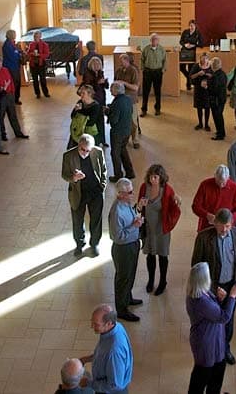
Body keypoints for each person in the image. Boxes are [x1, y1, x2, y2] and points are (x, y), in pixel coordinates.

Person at [191, 208, 236, 365]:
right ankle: (213, 349)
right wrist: (213, 288)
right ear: (214, 223)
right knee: (212, 322)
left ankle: (226, 349)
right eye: (221, 225)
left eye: (228, 226)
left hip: (232, 286)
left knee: (228, 320)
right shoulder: (203, 238)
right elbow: (196, 266)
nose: (224, 230)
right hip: (213, 288)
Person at [185, 262, 236, 394]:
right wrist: (232, 296)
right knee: (202, 376)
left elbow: (213, 312)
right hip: (206, 343)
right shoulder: (200, 301)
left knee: (216, 370)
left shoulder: (200, 292)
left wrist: (219, 299)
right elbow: (224, 317)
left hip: (212, 339)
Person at [137, 164, 182, 295]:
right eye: (151, 177)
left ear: (161, 177)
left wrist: (176, 203)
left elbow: (175, 209)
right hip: (148, 228)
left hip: (161, 229)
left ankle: (163, 281)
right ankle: (151, 280)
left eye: (155, 177)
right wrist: (140, 205)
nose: (153, 180)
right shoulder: (144, 187)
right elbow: (138, 208)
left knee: (162, 256)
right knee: (150, 255)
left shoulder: (167, 190)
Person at [62, 134, 108, 257]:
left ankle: (94, 244)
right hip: (78, 193)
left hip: (95, 192)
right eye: (83, 150)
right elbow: (64, 175)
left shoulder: (97, 152)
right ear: (78, 145)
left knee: (96, 220)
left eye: (88, 150)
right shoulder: (68, 156)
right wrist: (74, 178)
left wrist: (102, 186)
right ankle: (79, 244)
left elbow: (103, 169)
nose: (85, 153)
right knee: (77, 220)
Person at [108, 178, 143, 322]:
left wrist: (138, 208)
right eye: (129, 192)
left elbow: (131, 216)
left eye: (132, 191)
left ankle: (127, 298)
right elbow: (117, 236)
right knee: (123, 279)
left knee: (130, 274)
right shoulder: (116, 212)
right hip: (123, 249)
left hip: (132, 244)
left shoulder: (126, 203)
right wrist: (134, 226)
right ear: (120, 194)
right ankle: (122, 310)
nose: (132, 194)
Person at [81, 304, 134, 393]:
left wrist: (88, 383)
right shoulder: (116, 326)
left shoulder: (114, 351)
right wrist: (85, 359)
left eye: (96, 324)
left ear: (109, 323)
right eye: (92, 322)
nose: (92, 326)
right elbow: (102, 355)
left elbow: (114, 385)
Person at [191, 165, 236, 233]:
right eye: (218, 181)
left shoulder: (235, 188)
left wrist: (228, 219)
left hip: (226, 229)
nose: (221, 185)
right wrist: (206, 215)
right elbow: (195, 206)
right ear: (215, 176)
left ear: (228, 178)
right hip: (206, 226)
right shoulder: (204, 185)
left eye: (224, 182)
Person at [0, 56, 29, 141]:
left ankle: (18, 133)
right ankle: (3, 135)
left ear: (1, 63)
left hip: (10, 96)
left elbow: (11, 81)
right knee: (1, 116)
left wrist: (13, 92)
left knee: (13, 115)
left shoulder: (5, 70)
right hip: (1, 98)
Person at [106, 82, 135, 181]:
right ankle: (130, 172)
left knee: (115, 153)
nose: (110, 90)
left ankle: (118, 175)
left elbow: (114, 120)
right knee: (123, 150)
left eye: (111, 89)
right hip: (127, 130)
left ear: (116, 90)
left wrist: (107, 112)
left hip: (118, 132)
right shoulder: (128, 99)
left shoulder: (117, 103)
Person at [113, 53, 141, 148]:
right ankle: (124, 139)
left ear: (127, 61)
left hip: (130, 99)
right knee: (122, 120)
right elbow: (115, 82)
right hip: (120, 99)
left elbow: (136, 87)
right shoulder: (119, 71)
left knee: (133, 121)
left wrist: (124, 83)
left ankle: (135, 140)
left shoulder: (133, 71)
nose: (121, 64)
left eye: (122, 61)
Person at [83, 57, 109, 145]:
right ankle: (94, 140)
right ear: (92, 65)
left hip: (101, 98)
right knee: (93, 120)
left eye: (99, 64)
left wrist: (105, 82)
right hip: (93, 99)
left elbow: (105, 86)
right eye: (96, 65)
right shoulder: (87, 73)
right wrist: (98, 82)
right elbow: (88, 87)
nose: (98, 66)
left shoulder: (100, 73)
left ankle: (102, 140)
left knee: (101, 119)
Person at [69, 84, 104, 149]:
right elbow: (72, 116)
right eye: (80, 93)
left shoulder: (96, 106)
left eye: (83, 93)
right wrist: (76, 110)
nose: (81, 95)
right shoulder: (80, 102)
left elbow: (91, 122)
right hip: (78, 132)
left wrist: (79, 118)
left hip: (90, 134)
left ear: (89, 94)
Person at [140, 33, 167, 116]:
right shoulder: (146, 49)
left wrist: (163, 70)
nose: (154, 40)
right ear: (150, 40)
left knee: (157, 91)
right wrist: (143, 69)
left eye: (156, 39)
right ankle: (144, 110)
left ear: (158, 40)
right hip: (148, 72)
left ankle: (157, 109)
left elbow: (165, 60)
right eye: (153, 39)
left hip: (158, 72)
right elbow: (142, 59)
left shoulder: (162, 49)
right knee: (145, 91)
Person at [190, 53, 213, 132]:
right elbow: (191, 76)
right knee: (199, 107)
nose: (203, 61)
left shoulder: (211, 66)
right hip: (198, 90)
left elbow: (214, 76)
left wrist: (208, 75)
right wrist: (198, 74)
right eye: (202, 59)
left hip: (208, 90)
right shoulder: (196, 66)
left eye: (205, 59)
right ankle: (200, 123)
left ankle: (206, 124)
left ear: (208, 59)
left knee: (207, 107)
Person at [207, 57, 228, 140]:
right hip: (222, 98)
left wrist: (207, 86)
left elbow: (214, 89)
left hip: (216, 100)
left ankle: (220, 134)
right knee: (219, 116)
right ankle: (221, 131)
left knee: (217, 117)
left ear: (213, 66)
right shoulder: (223, 74)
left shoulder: (214, 76)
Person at [1, 28, 24, 104]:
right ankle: (13, 100)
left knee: (17, 83)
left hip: (15, 67)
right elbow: (12, 56)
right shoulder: (7, 45)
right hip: (11, 67)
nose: (15, 35)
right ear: (11, 35)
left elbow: (16, 52)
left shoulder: (12, 43)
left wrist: (19, 52)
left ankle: (16, 99)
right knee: (14, 83)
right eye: (14, 34)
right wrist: (19, 55)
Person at [180, 20, 203, 90]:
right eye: (190, 26)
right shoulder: (185, 32)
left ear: (195, 26)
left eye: (193, 26)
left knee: (190, 69)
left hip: (192, 52)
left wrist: (194, 45)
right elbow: (181, 41)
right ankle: (188, 77)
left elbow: (201, 44)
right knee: (181, 67)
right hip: (184, 51)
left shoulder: (198, 33)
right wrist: (185, 44)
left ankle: (188, 85)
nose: (191, 27)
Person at [28, 30, 51, 99]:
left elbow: (47, 55)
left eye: (37, 36)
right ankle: (37, 93)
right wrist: (31, 53)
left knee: (43, 79)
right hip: (33, 65)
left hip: (41, 64)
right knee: (35, 80)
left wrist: (39, 55)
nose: (36, 37)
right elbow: (28, 53)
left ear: (40, 36)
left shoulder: (44, 44)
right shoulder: (31, 44)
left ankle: (46, 93)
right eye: (35, 36)